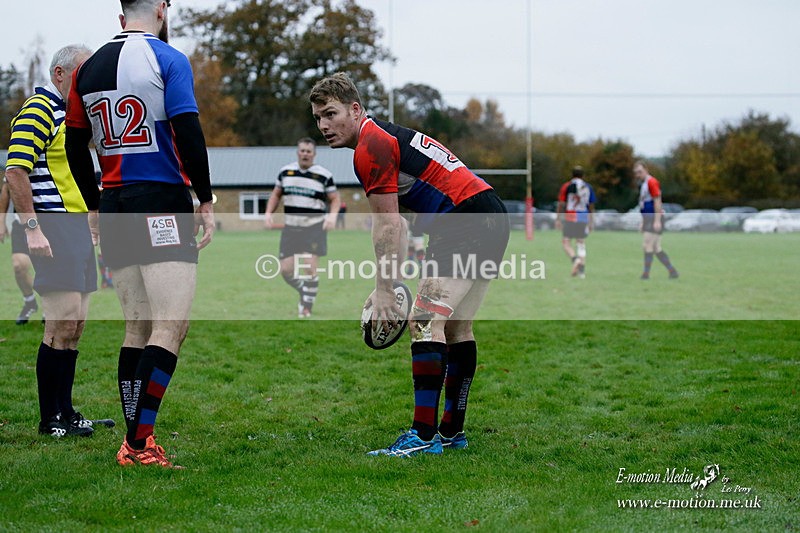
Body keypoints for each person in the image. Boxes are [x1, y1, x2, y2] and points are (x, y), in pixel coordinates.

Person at [310, 72, 510, 457]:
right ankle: (451, 433)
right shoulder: (386, 136)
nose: (323, 126)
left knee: (424, 321)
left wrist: (387, 288)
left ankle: (421, 436)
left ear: (355, 109)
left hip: (463, 221)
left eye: (330, 114)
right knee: (455, 326)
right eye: (318, 118)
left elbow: (388, 224)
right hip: (489, 213)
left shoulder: (371, 145)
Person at [65, 0, 215, 468]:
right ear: (163, 10)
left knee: (138, 326)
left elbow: (74, 144)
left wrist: (93, 202)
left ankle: (135, 440)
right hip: (160, 201)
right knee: (172, 326)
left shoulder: (85, 69)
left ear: (121, 13)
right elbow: (188, 131)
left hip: (114, 204)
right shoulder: (167, 59)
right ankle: (138, 443)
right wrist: (205, 199)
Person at [4, 44, 112, 437]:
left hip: (76, 228)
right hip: (52, 228)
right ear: (61, 74)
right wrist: (32, 229)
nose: (87, 82)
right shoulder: (39, 109)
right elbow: (15, 171)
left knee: (76, 323)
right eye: (81, 74)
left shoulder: (70, 115)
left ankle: (67, 412)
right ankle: (49, 418)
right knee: (59, 321)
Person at [264, 137, 340, 317]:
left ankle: (306, 307)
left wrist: (332, 216)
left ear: (314, 154)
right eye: (302, 151)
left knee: (309, 267)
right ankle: (305, 291)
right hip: (291, 228)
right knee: (286, 271)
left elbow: (335, 199)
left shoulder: (324, 175)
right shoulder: (285, 172)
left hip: (313, 228)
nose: (305, 154)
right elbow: (276, 195)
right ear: (298, 152)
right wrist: (268, 213)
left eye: (309, 151)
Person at [0, 181, 40, 324]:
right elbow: (7, 188)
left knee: (48, 269)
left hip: (48, 222)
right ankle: (30, 302)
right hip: (21, 223)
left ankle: (50, 309)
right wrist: (1, 220)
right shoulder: (16, 161)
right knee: (19, 266)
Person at [633, 161, 679, 280]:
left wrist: (657, 220)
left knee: (647, 245)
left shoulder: (651, 182)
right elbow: (644, 204)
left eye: (640, 172)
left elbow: (657, 201)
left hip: (654, 217)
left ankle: (646, 274)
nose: (638, 175)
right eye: (636, 173)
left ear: (646, 170)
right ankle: (672, 271)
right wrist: (643, 221)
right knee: (656, 248)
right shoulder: (643, 184)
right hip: (648, 218)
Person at [556, 166, 596, 278]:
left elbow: (562, 203)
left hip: (570, 216)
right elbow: (591, 206)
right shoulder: (588, 187)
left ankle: (575, 259)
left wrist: (558, 218)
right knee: (581, 243)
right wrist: (591, 221)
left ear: (572, 175)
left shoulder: (567, 186)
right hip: (583, 216)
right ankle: (582, 272)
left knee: (566, 242)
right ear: (583, 175)